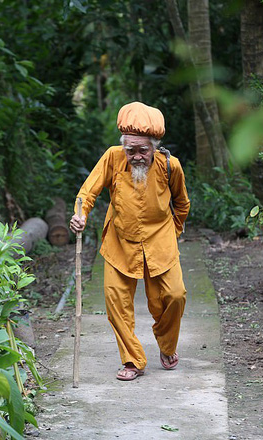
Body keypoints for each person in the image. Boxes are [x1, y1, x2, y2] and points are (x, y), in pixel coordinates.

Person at [69, 101, 191, 381]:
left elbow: (182, 203)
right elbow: (87, 192)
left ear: (154, 147)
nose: (136, 156)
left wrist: (174, 232)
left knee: (175, 295)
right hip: (119, 242)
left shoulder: (171, 165)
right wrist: (80, 215)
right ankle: (133, 360)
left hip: (160, 239)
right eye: (130, 150)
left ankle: (167, 343)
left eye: (142, 150)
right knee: (116, 300)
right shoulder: (112, 158)